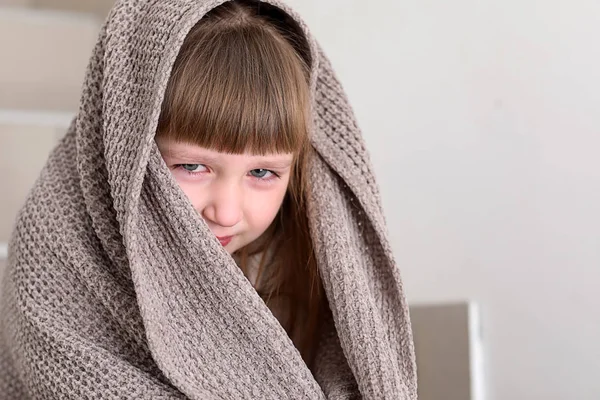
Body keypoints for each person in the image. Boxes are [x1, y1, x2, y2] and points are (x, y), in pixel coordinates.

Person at [0, 0, 417, 398]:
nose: (226, 212)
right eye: (192, 167)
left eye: (261, 173)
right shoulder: (53, 265)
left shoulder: (290, 266)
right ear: (128, 152)